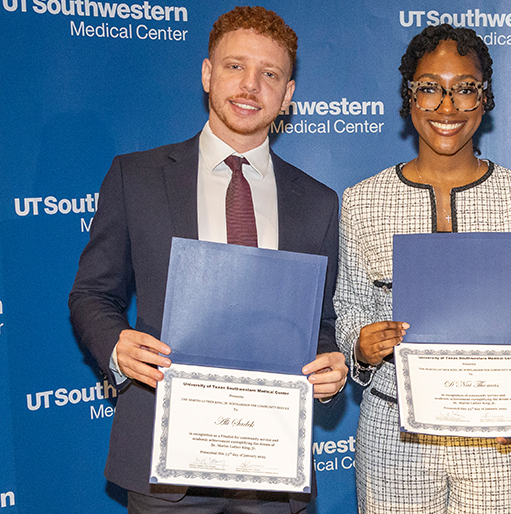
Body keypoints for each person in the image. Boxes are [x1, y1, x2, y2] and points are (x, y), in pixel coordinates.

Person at [68, 6, 347, 513]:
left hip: (272, 466)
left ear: (287, 96)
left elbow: (320, 322)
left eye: (270, 74)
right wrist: (115, 344)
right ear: (206, 74)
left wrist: (329, 364)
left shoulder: (319, 202)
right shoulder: (138, 177)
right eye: (235, 66)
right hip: (164, 463)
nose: (249, 86)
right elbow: (92, 293)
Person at [334, 24, 511, 514]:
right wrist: (361, 345)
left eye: (465, 88)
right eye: (430, 88)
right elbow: (347, 315)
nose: (447, 107)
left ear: (484, 99)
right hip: (394, 437)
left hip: (504, 435)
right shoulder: (363, 201)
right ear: (409, 97)